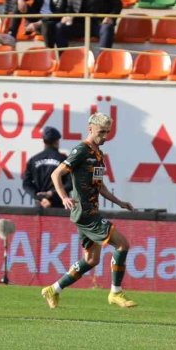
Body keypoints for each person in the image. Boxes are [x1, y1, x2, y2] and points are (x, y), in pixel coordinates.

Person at [41, 112, 137, 309]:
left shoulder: (98, 155)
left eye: (108, 132)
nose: (105, 136)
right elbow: (56, 173)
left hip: (90, 212)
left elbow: (99, 186)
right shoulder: (81, 150)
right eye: (102, 132)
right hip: (85, 213)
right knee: (122, 245)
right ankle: (116, 293)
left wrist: (119, 202)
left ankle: (54, 289)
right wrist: (64, 197)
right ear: (90, 129)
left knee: (91, 259)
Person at [23, 126, 71, 208]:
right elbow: (70, 183)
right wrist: (51, 194)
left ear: (44, 141)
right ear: (56, 142)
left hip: (40, 206)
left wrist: (39, 196)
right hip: (59, 206)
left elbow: (26, 184)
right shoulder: (63, 160)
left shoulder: (33, 160)